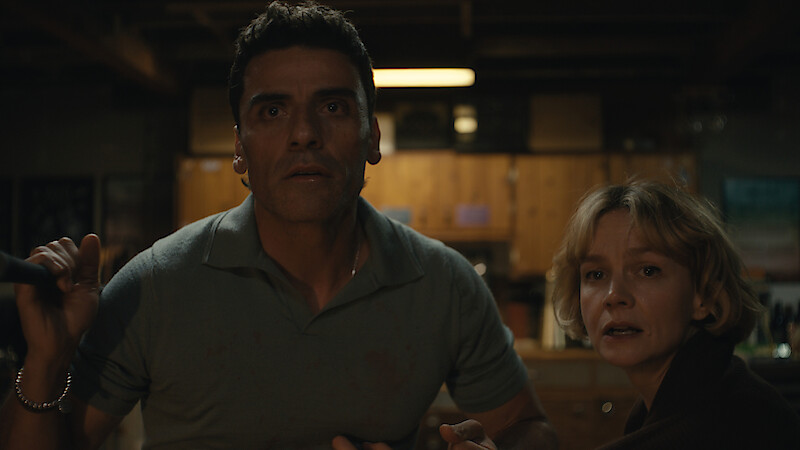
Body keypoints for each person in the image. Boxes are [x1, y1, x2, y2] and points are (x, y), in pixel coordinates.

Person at [0, 2, 557, 449]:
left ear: (372, 137)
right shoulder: (154, 287)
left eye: (333, 107)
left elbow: (528, 429)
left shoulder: (446, 284)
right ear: (239, 147)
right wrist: (45, 364)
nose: (304, 133)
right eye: (272, 111)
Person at [550, 180, 800, 449]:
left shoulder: (728, 419)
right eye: (596, 274)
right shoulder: (712, 387)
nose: (613, 295)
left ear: (703, 295)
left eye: (647, 270)